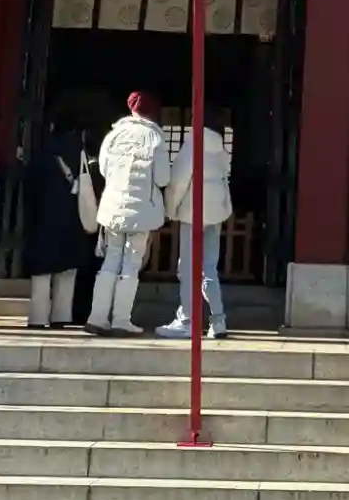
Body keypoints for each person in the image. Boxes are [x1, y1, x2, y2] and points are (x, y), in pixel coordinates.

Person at [87, 90, 172, 334]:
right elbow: (163, 178)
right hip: (142, 210)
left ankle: (97, 317)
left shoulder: (113, 135)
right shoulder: (155, 138)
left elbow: (103, 170)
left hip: (113, 205)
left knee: (110, 260)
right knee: (131, 264)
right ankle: (121, 320)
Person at [158, 105, 232, 339]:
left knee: (188, 268)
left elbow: (179, 180)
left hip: (193, 210)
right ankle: (218, 320)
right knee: (209, 268)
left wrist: (171, 209)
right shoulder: (220, 147)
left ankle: (188, 319)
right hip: (216, 211)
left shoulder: (193, 143)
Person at [20, 117, 92, 328]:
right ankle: (61, 315)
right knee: (67, 273)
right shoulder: (81, 157)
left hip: (44, 221)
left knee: (42, 274)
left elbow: (29, 193)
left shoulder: (41, 157)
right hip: (73, 221)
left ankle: (38, 317)